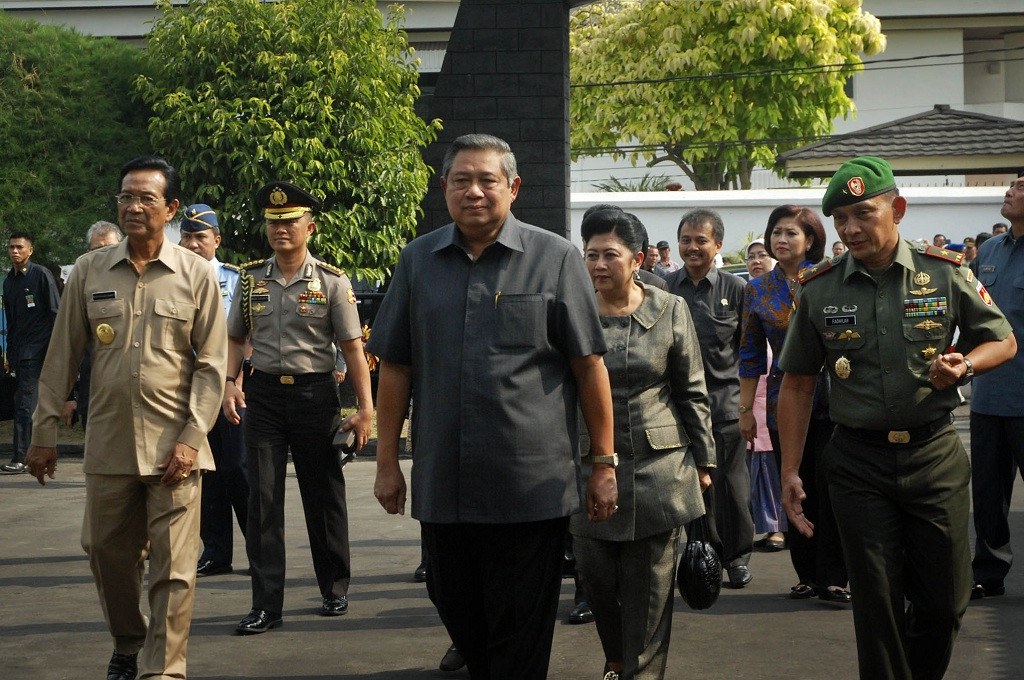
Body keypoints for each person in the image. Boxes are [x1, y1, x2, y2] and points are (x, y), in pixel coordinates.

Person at [368, 133, 617, 679]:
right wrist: (387, 461)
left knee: (521, 629)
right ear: (445, 188)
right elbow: (397, 367)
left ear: (514, 187)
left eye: (487, 180)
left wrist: (603, 463)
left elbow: (588, 365)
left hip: (529, 487)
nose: (474, 192)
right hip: (445, 481)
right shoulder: (418, 261)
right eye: (462, 180)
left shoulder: (556, 259)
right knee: (453, 605)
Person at [777, 156, 1015, 680]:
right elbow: (795, 384)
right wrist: (790, 471)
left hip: (935, 456)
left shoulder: (946, 271)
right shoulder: (820, 287)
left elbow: (1003, 340)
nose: (850, 229)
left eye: (863, 213)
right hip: (858, 462)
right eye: (840, 219)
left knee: (945, 602)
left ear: (897, 209)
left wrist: (966, 364)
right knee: (877, 606)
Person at [25, 155, 228, 680]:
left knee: (176, 569)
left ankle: (165, 670)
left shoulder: (197, 274)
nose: (134, 207)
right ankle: (128, 638)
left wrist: (192, 436)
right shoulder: (90, 270)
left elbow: (212, 365)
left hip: (176, 447)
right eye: (126, 197)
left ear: (172, 208)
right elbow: (62, 356)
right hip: (110, 443)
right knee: (105, 554)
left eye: (146, 198)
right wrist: (44, 432)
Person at [225, 181, 373, 633]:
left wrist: (365, 409)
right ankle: (266, 604)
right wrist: (230, 382)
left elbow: (351, 350)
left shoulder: (332, 280)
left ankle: (334, 587)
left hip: (314, 395)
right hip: (264, 395)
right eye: (273, 223)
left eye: (290, 222)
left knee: (322, 493)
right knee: (262, 500)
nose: (281, 230)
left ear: (310, 226)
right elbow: (235, 338)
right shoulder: (250, 279)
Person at [573, 207, 714, 680]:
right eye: (590, 254)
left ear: (637, 259)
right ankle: (616, 660)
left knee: (651, 592)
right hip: (587, 467)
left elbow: (692, 390)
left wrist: (704, 461)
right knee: (596, 580)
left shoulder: (670, 308)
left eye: (610, 254)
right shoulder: (571, 310)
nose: (598, 265)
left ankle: (642, 674)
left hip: (660, 469)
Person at [739, 209, 849, 603]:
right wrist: (745, 410)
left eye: (791, 233)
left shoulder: (830, 276)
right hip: (783, 400)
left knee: (831, 486)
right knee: (794, 484)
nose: (781, 239)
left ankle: (835, 577)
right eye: (775, 233)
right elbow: (750, 354)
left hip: (837, 397)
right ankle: (806, 575)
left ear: (810, 239)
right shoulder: (757, 289)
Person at [663, 209, 754, 588]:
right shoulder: (665, 288)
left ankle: (737, 557)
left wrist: (745, 406)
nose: (692, 247)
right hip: (679, 409)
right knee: (692, 486)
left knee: (731, 488)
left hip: (724, 405)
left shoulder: (737, 289)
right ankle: (704, 555)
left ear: (717, 244)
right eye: (686, 240)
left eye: (701, 240)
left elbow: (746, 350)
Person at [179, 204, 251, 578]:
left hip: (228, 390)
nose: (192, 245)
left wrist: (234, 383)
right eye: (186, 236)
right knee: (205, 472)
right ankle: (217, 551)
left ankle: (258, 549)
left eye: (200, 237)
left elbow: (247, 335)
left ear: (216, 240)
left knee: (237, 468)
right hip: (187, 392)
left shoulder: (236, 279)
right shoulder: (171, 277)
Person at [969, 171, 1024, 600]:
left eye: (1020, 187)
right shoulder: (988, 250)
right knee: (987, 494)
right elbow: (967, 313)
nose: (1009, 191)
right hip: (988, 396)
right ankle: (989, 572)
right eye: (1012, 185)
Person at [2, 231, 59, 474]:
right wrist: (10, 356)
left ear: (30, 251)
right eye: (12, 247)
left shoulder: (40, 275)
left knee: (25, 404)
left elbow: (56, 314)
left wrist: (57, 351)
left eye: (20, 247)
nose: (15, 251)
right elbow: (12, 323)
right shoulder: (8, 281)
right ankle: (35, 453)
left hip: (40, 350)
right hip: (21, 353)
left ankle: (21, 457)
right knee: (29, 403)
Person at [741, 240, 785, 551]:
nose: (757, 261)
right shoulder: (750, 295)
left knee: (772, 469)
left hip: (775, 397)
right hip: (748, 396)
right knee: (752, 470)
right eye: (751, 256)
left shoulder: (782, 300)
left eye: (762, 255)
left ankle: (778, 528)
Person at [61, 221, 124, 431]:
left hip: (130, 395)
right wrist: (69, 397)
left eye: (112, 248)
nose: (105, 254)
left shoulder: (136, 283)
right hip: (93, 393)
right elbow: (67, 347)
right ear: (88, 252)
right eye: (98, 250)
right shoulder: (80, 286)